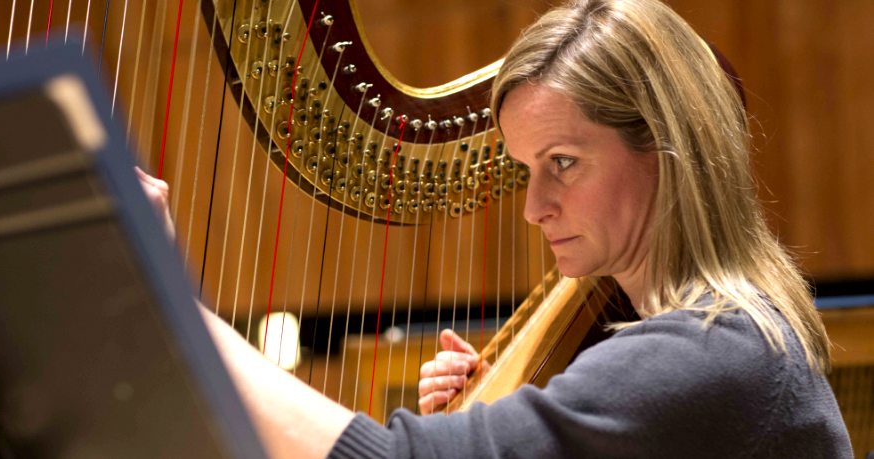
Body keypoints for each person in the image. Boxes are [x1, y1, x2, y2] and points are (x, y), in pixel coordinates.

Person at [138, 0, 853, 457]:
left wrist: (169, 300)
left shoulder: (704, 352)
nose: (533, 205)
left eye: (564, 163)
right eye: (525, 168)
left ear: (666, 152)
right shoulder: (726, 333)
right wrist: (506, 424)